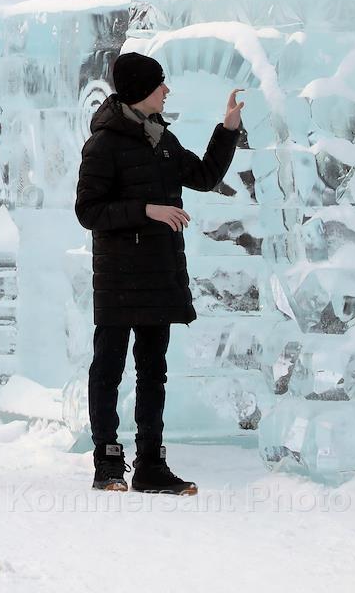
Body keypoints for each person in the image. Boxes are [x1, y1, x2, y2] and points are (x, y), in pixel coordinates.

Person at [74, 51, 243, 495]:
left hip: (159, 272)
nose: (166, 90)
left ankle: (150, 464)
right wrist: (147, 210)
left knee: (153, 372)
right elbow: (88, 211)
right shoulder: (103, 144)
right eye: (160, 84)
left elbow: (204, 176)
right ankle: (108, 461)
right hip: (118, 276)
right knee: (108, 369)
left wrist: (227, 130)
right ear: (140, 90)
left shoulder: (162, 139)